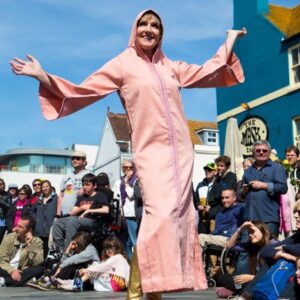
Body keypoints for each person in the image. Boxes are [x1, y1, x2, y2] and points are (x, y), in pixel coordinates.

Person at [10, 9, 246, 297]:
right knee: (157, 217)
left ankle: (154, 292)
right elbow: (84, 90)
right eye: (144, 24)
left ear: (162, 33)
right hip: (150, 153)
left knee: (177, 220)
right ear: (134, 29)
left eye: (155, 25)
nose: (149, 29)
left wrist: (230, 41)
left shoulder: (170, 66)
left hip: (182, 153)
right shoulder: (122, 64)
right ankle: (138, 293)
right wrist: (43, 76)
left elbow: (210, 70)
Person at [52, 173, 109, 252]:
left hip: (92, 221)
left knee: (72, 222)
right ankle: (59, 250)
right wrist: (82, 208)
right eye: (83, 185)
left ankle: (68, 251)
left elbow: (106, 210)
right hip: (78, 218)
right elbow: (72, 213)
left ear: (94, 186)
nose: (84, 187)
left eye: (87, 185)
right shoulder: (82, 197)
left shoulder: (100, 195)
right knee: (58, 222)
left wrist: (89, 210)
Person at [242, 140, 287, 238]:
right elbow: (240, 195)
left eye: (264, 150)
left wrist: (264, 185)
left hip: (268, 217)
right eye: (258, 150)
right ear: (253, 152)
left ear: (269, 153)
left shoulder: (277, 168)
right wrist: (243, 191)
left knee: (268, 249)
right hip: (249, 217)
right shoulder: (248, 171)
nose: (261, 152)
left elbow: (283, 188)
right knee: (247, 250)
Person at [215, 221, 271, 299]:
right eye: (249, 232)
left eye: (253, 231)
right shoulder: (252, 246)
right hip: (251, 282)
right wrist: (240, 229)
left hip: (264, 283)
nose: (250, 235)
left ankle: (238, 292)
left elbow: (272, 275)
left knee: (246, 284)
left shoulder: (272, 246)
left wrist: (252, 277)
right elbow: (228, 246)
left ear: (263, 231)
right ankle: (239, 291)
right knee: (222, 278)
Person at [28, 231, 100, 291]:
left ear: (81, 244)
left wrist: (61, 266)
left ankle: (51, 280)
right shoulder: (81, 251)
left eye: (76, 244)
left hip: (90, 283)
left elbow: (72, 260)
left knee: (71, 264)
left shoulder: (90, 250)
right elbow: (63, 261)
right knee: (67, 264)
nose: (74, 246)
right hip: (81, 279)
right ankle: (48, 279)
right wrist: (67, 251)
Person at [60, 235, 129, 292]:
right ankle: (73, 283)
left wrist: (86, 270)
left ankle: (74, 284)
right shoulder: (117, 257)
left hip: (115, 285)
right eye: (106, 248)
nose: (108, 251)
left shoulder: (117, 257)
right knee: (93, 267)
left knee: (94, 267)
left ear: (117, 247)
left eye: (110, 247)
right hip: (115, 285)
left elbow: (101, 267)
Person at [0, 214, 44, 287]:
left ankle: (4, 281)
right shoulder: (9, 238)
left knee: (40, 269)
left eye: (20, 227)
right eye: (17, 225)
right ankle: (24, 281)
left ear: (29, 230)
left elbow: (38, 261)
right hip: (6, 269)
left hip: (22, 271)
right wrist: (12, 271)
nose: (16, 228)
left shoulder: (37, 242)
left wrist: (29, 245)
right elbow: (1, 260)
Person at [113, 159, 139, 260]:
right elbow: (116, 196)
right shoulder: (118, 181)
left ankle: (138, 266)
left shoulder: (136, 180)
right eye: (125, 167)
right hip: (121, 215)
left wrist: (127, 182)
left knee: (134, 241)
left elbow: (131, 195)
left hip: (132, 214)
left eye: (130, 167)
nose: (128, 170)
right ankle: (130, 263)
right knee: (124, 243)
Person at [58, 150, 90, 217]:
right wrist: (58, 214)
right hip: (64, 212)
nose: (74, 160)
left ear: (84, 161)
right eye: (73, 158)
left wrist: (84, 188)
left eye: (78, 158)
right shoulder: (66, 176)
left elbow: (94, 192)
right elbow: (61, 195)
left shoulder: (89, 175)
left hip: (79, 213)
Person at [33, 180, 57, 258]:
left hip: (50, 230)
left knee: (48, 251)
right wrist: (35, 219)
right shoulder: (39, 199)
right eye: (43, 187)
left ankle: (46, 268)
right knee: (38, 252)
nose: (45, 188)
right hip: (39, 230)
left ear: (50, 187)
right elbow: (32, 211)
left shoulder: (56, 198)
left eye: (47, 186)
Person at [194, 163, 218, 233]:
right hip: (202, 220)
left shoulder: (218, 185)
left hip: (214, 220)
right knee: (201, 240)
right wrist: (198, 205)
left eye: (210, 170)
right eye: (206, 170)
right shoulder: (200, 185)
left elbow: (220, 201)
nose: (207, 171)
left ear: (215, 172)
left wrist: (212, 207)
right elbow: (195, 199)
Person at [0, 178, 10, 243]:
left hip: (2, 220)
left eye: (3, 184)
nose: (2, 186)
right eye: (0, 184)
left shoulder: (7, 195)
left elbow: (9, 206)